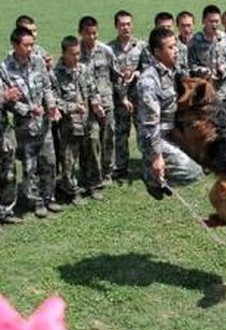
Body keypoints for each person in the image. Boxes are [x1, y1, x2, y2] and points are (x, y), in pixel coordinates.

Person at [137, 27, 203, 200]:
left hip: (172, 132)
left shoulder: (172, 71)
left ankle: (158, 174)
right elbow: (150, 124)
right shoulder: (149, 81)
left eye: (176, 46)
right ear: (157, 52)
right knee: (193, 173)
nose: (176, 51)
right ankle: (150, 174)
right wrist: (156, 156)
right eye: (171, 48)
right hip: (156, 138)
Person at [3, 27, 62, 218]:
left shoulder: (37, 61)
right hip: (25, 127)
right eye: (26, 45)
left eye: (32, 44)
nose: (30, 49)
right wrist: (29, 110)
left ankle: (49, 197)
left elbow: (46, 86)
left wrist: (51, 105)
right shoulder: (5, 68)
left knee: (49, 161)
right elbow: (9, 102)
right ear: (15, 45)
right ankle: (35, 200)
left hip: (44, 123)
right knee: (30, 166)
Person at [54, 36, 104, 204]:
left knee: (93, 153)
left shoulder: (84, 69)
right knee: (69, 159)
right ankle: (72, 190)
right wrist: (72, 107)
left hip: (88, 121)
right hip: (69, 125)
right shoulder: (55, 74)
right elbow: (53, 101)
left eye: (78, 53)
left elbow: (93, 89)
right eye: (73, 54)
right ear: (64, 53)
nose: (77, 57)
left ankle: (94, 185)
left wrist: (96, 103)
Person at [78, 15, 125, 187]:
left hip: (106, 104)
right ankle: (89, 174)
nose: (91, 37)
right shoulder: (76, 52)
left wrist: (123, 98)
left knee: (108, 138)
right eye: (88, 34)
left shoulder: (106, 51)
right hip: (85, 106)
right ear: (81, 33)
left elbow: (117, 77)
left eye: (95, 34)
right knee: (89, 141)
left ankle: (107, 172)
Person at [108, 10, 145, 180]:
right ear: (116, 26)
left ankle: (147, 166)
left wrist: (136, 73)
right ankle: (121, 167)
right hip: (119, 98)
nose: (126, 28)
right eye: (122, 24)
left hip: (138, 96)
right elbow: (107, 74)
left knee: (143, 132)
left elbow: (147, 68)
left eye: (128, 24)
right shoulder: (110, 49)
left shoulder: (141, 46)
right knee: (121, 133)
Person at [189, 5, 226, 110]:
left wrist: (224, 69)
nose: (214, 25)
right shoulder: (195, 41)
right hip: (204, 94)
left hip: (223, 93)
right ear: (203, 21)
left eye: (217, 21)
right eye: (211, 21)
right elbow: (190, 65)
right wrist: (202, 71)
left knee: (225, 124)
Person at [0, 67, 22, 224]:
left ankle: (6, 210)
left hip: (4, 130)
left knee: (9, 172)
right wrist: (4, 97)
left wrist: (13, 98)